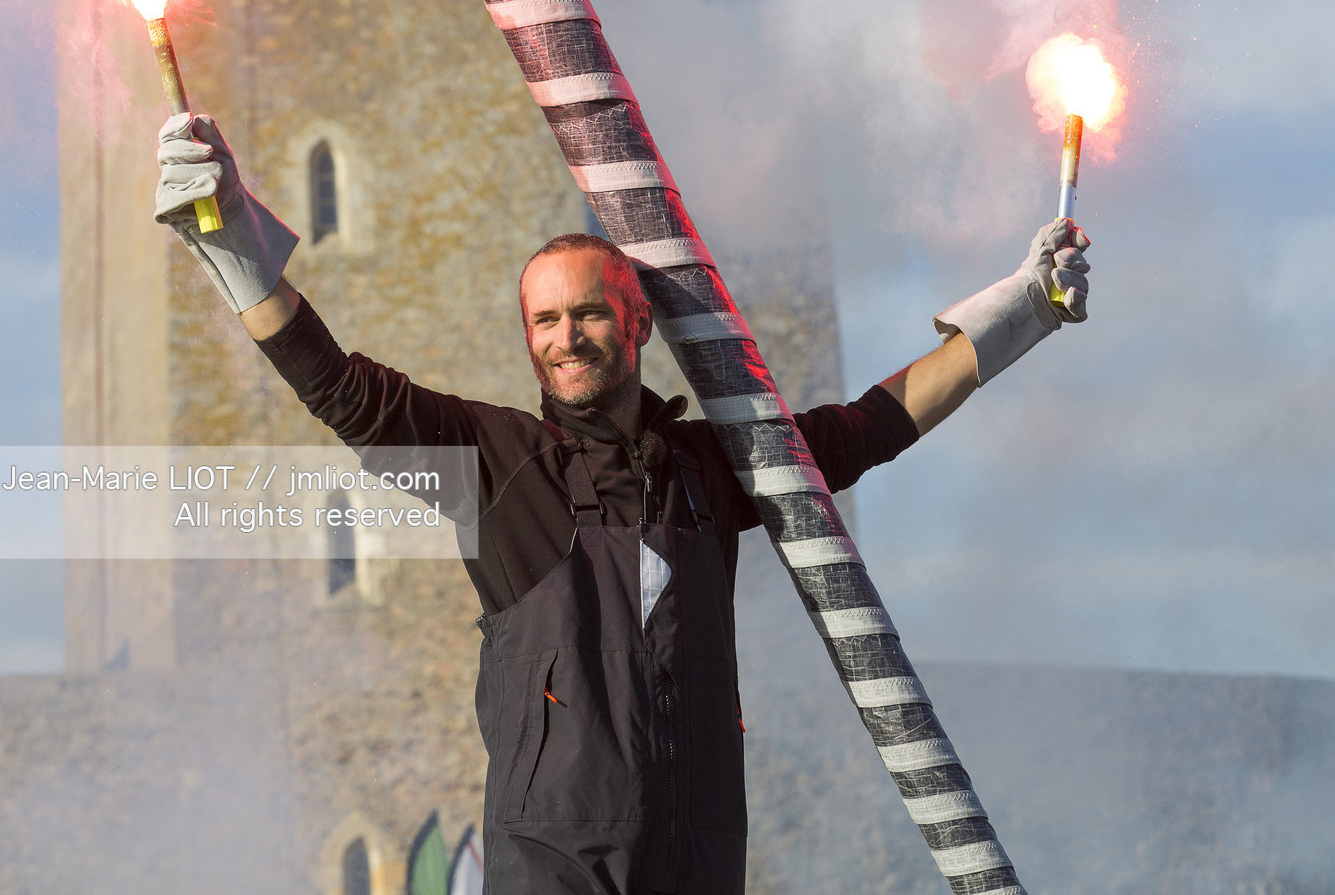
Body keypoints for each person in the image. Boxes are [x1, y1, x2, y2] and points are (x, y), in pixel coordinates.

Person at [153, 113, 1091, 894]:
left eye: (589, 312)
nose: (567, 338)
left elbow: (868, 428)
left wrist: (1024, 310)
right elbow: (342, 390)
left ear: (636, 320)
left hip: (700, 848)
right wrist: (228, 237)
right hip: (552, 856)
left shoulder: (710, 467)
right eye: (545, 321)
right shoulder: (494, 461)